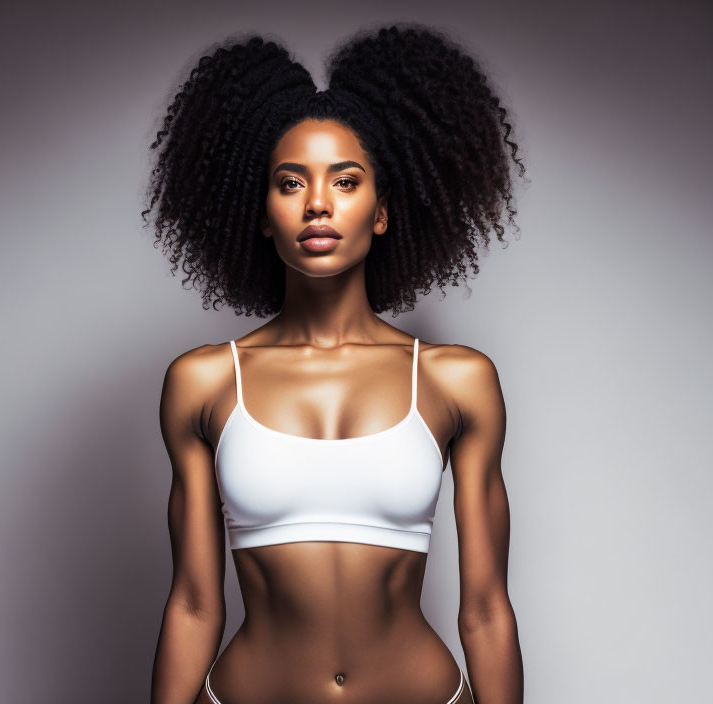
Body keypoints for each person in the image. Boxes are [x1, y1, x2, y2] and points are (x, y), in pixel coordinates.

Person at [145, 23, 526, 704]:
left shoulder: (455, 381)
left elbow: (487, 609)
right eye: (291, 183)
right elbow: (195, 606)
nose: (317, 202)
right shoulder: (203, 383)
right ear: (262, 214)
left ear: (380, 211)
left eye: (345, 181)